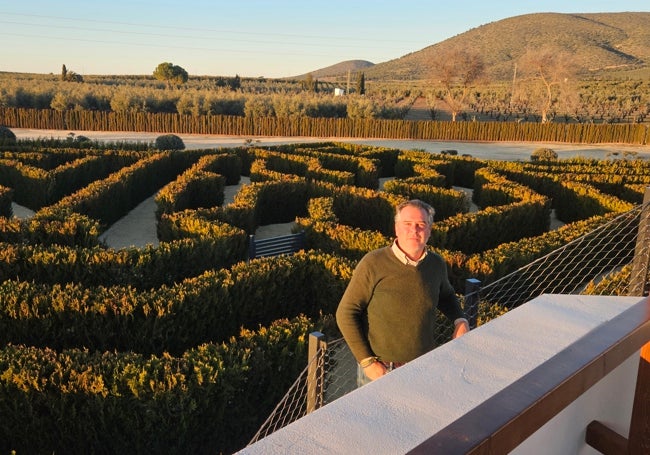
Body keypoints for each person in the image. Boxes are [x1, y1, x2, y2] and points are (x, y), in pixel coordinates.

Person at [336, 199, 469, 384]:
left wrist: (460, 320)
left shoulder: (436, 264)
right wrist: (367, 362)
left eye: (421, 225)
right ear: (396, 228)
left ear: (429, 231)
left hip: (424, 366)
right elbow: (346, 313)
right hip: (382, 370)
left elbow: (446, 295)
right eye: (407, 224)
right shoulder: (373, 263)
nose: (414, 230)